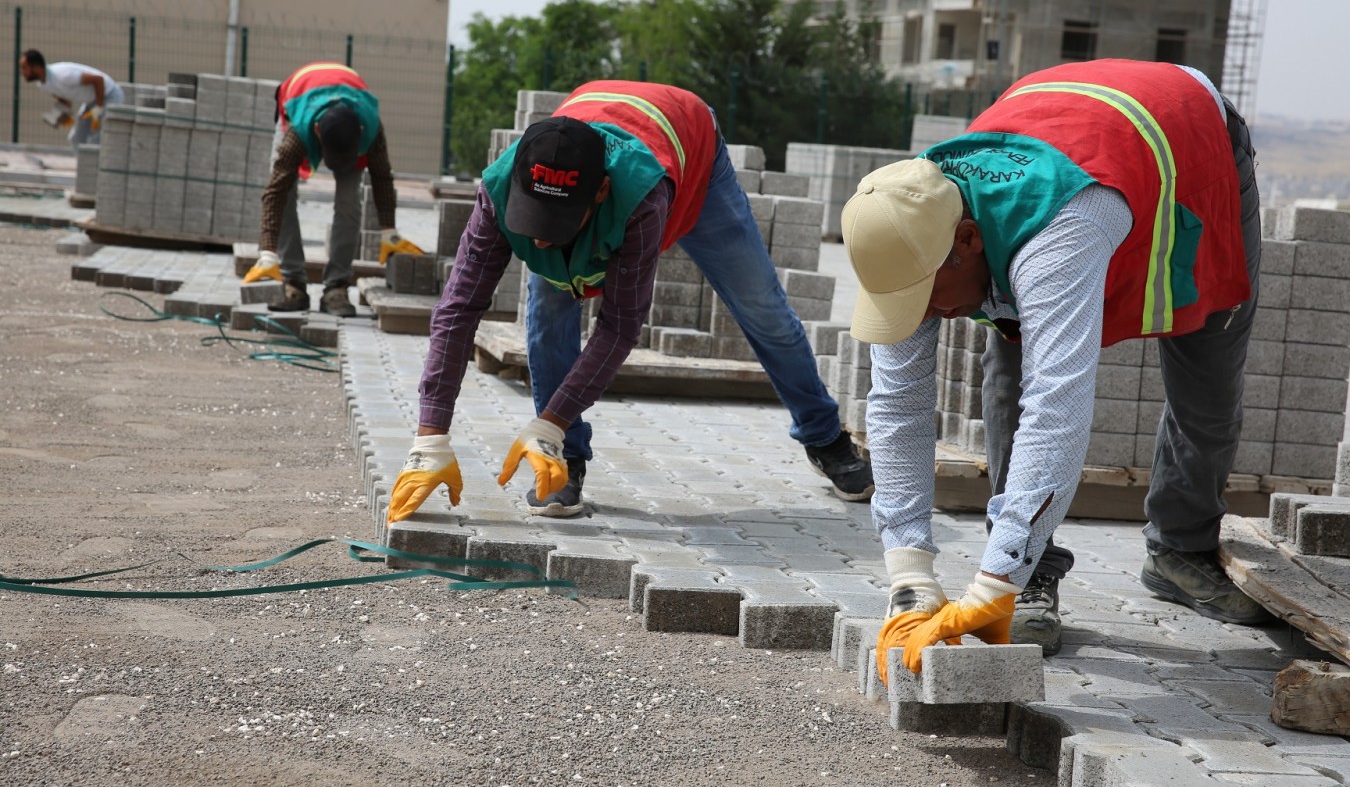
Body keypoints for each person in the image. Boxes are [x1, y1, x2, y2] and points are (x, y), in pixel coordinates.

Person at [841, 59, 1269, 682]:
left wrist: (993, 582)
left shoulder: (1059, 229)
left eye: (927, 293)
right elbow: (897, 403)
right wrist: (909, 576)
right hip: (1062, 127)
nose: (928, 312)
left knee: (1208, 365)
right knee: (1008, 367)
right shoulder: (907, 219)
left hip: (1191, 142)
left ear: (965, 240)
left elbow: (1058, 405)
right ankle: (1033, 570)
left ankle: (1180, 547)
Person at [385, 79, 873, 522]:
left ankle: (824, 437)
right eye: (531, 221)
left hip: (690, 147)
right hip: (600, 119)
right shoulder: (498, 189)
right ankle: (564, 458)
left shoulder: (641, 197)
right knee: (549, 309)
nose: (541, 242)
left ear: (599, 193)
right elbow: (458, 307)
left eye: (554, 226)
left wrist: (547, 421)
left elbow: (619, 325)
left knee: (759, 305)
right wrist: (430, 437)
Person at [242, 61, 422, 316]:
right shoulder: (299, 131)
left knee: (349, 201)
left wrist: (389, 231)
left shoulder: (370, 127)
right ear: (316, 133)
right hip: (299, 95)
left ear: (360, 134)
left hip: (347, 99)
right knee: (286, 191)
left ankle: (336, 288)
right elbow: (274, 191)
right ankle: (293, 283)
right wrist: (267, 251)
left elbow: (382, 176)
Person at [18, 49, 124, 147]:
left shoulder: (63, 75)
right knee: (76, 139)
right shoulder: (43, 85)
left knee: (95, 139)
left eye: (25, 68)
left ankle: (95, 167)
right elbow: (65, 100)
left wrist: (99, 108)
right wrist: (62, 115)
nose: (22, 73)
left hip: (110, 95)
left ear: (36, 67)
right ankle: (84, 166)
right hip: (93, 100)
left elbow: (98, 80)